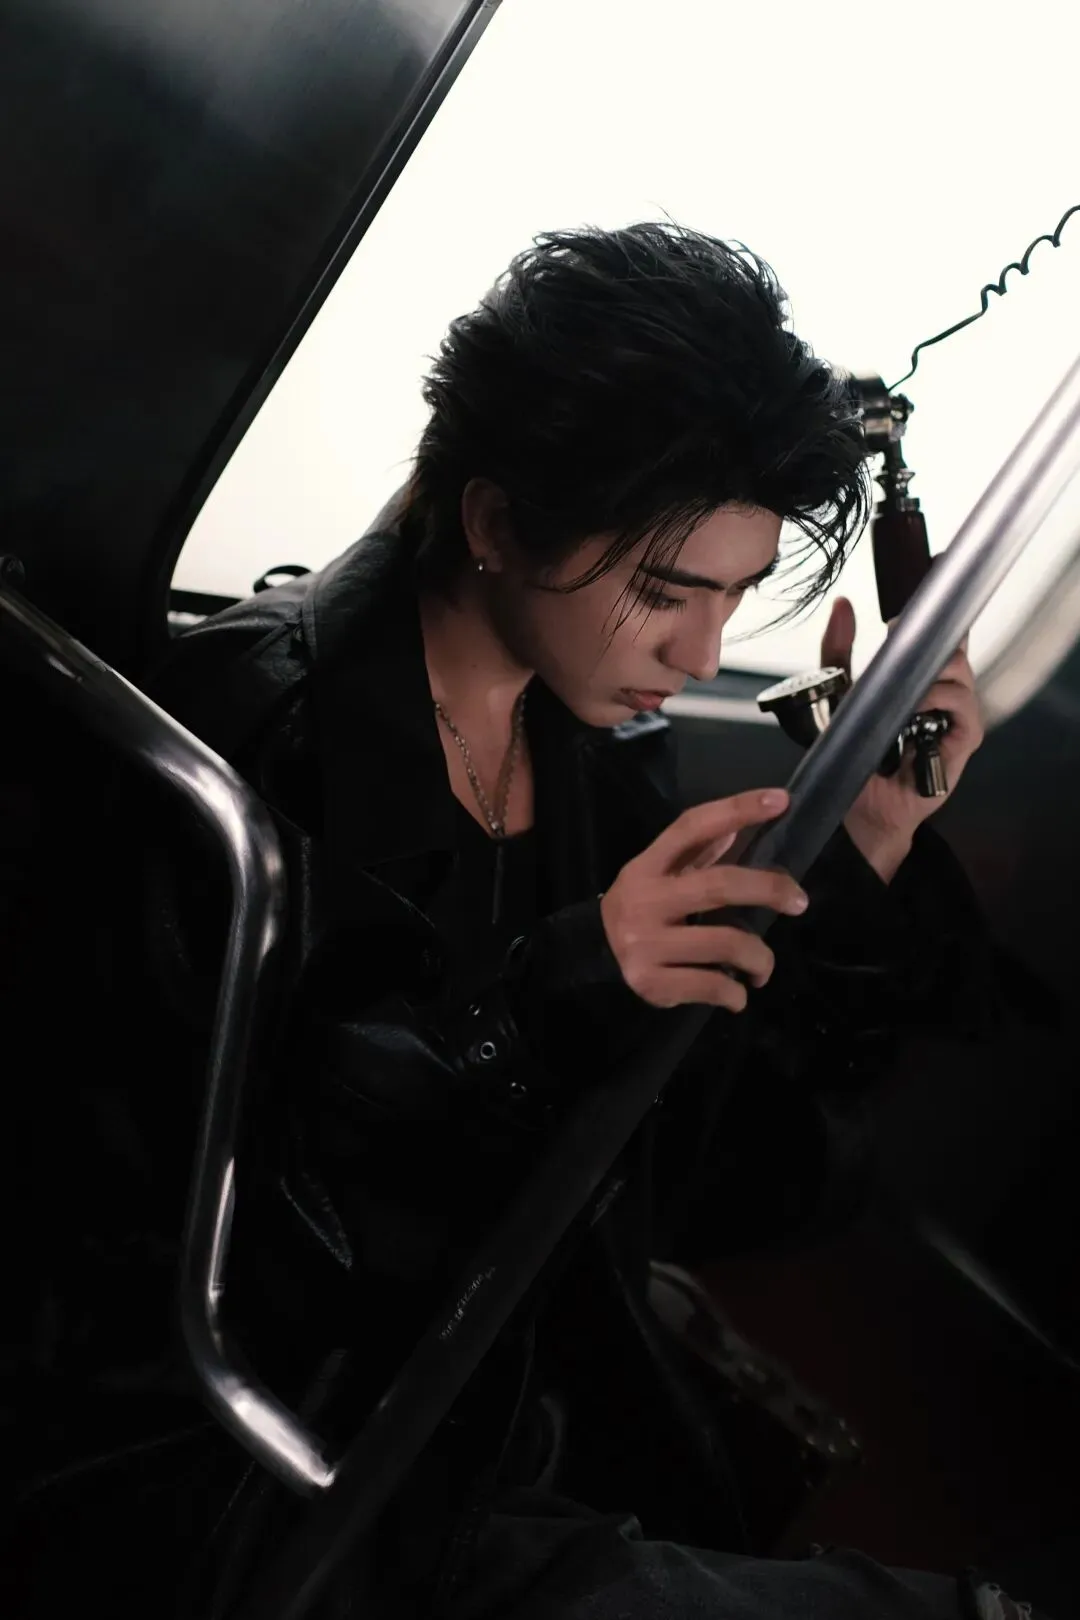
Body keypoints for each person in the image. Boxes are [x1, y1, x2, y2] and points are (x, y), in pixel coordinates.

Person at [17, 222, 1051, 1618]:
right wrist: (538, 1012)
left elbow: (735, 1187)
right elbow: (172, 1257)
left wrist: (866, 842)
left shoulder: (593, 768)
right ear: (498, 524)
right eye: (663, 594)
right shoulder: (229, 758)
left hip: (487, 1439)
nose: (700, 654)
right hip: (244, 1481)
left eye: (736, 599)